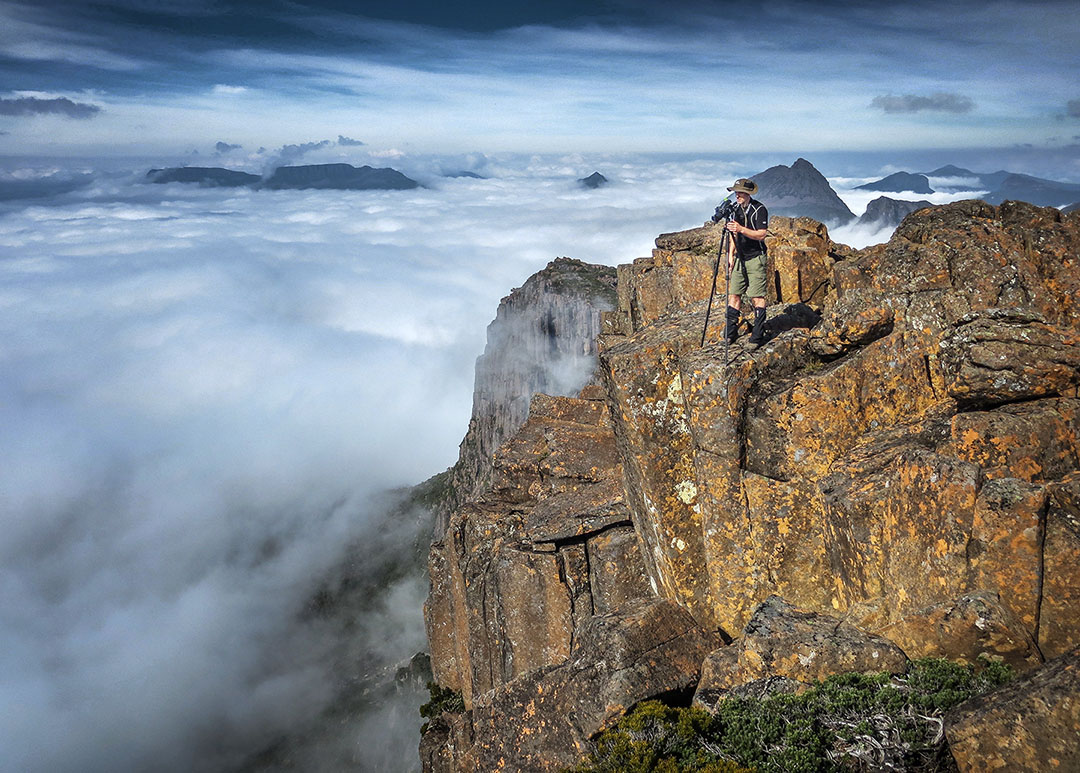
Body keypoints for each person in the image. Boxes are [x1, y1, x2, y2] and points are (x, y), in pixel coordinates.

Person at [722, 178, 769, 346]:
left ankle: (757, 336)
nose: (737, 195)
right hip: (740, 258)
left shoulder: (759, 209)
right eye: (736, 192)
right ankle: (730, 332)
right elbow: (734, 236)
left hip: (756, 257)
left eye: (740, 192)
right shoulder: (736, 210)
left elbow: (762, 234)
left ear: (748, 194)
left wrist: (741, 229)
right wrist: (730, 255)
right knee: (734, 294)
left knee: (757, 296)